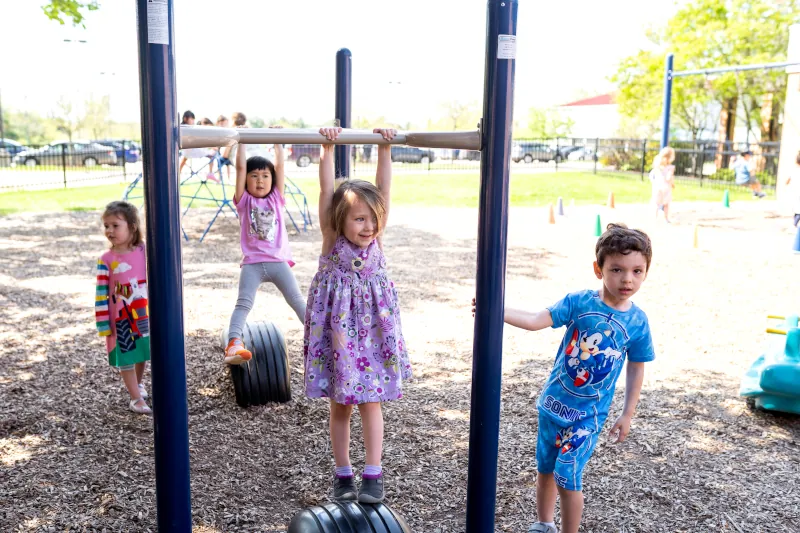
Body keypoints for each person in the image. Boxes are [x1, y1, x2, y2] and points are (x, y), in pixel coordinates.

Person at [476, 223, 655, 533]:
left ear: (645, 272)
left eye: (637, 271)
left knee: (566, 473)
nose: (627, 279)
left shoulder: (637, 322)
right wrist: (494, 310)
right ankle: (544, 523)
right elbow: (535, 321)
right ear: (598, 269)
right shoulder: (579, 301)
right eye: (617, 269)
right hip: (553, 405)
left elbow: (637, 366)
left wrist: (628, 413)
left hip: (587, 416)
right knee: (545, 469)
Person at [304, 126, 412, 503]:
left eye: (372, 219)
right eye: (359, 219)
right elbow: (324, 191)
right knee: (340, 404)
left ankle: (373, 473)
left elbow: (384, 191)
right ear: (340, 220)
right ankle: (342, 473)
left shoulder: (377, 240)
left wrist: (385, 148)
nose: (368, 226)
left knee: (371, 400)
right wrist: (327, 148)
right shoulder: (332, 238)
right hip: (338, 336)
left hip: (373, 335)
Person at [224, 127, 306, 365]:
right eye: (254, 176)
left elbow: (280, 167)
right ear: (246, 180)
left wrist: (278, 142)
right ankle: (234, 343)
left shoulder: (276, 198)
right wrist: (242, 140)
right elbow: (239, 167)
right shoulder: (243, 201)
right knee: (244, 303)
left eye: (265, 176)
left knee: (297, 300)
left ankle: (320, 336)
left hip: (278, 262)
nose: (260, 180)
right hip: (252, 264)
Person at [95, 201, 152, 415]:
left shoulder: (144, 251)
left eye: (115, 226)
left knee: (142, 353)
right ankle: (135, 398)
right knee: (126, 356)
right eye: (106, 226)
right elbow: (101, 292)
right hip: (120, 318)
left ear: (132, 226)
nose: (109, 231)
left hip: (142, 313)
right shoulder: (106, 260)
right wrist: (103, 322)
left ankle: (138, 385)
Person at [649, 146, 676, 223]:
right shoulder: (670, 167)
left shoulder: (657, 166)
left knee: (656, 203)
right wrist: (672, 184)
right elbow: (669, 178)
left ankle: (655, 218)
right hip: (666, 188)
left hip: (657, 187)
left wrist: (654, 182)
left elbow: (651, 175)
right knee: (666, 204)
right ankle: (666, 218)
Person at [216, 115, 235, 183]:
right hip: (220, 150)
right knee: (219, 164)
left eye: (225, 123)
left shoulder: (228, 131)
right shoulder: (218, 131)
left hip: (227, 151)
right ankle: (219, 178)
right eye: (222, 123)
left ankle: (228, 178)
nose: (224, 125)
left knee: (228, 165)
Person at [178, 111, 196, 176]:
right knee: (184, 159)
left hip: (187, 149)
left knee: (184, 160)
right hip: (186, 149)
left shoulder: (184, 127)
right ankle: (178, 172)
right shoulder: (184, 128)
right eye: (192, 119)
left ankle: (178, 172)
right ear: (185, 118)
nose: (193, 121)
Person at [785, 151, 800, 228]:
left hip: (794, 192)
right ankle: (794, 223)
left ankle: (794, 223)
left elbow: (787, 181)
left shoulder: (793, 170)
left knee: (797, 208)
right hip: (797, 192)